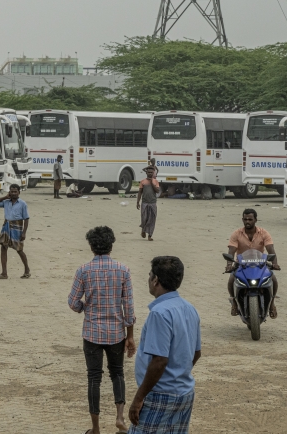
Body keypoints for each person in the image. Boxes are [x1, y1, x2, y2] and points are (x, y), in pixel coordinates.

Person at [68, 226, 136, 434]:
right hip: (116, 333)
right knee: (118, 374)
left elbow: (72, 301)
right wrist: (130, 336)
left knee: (94, 378)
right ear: (111, 244)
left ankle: (96, 427)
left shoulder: (84, 270)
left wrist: (84, 308)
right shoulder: (123, 270)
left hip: (92, 332)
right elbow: (129, 307)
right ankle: (120, 417)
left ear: (91, 246)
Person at [129, 256, 201, 433]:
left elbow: (159, 360)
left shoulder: (159, 313)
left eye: (150, 275)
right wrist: (178, 374)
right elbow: (196, 353)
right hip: (184, 393)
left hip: (160, 395)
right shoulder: (189, 308)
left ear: (156, 280)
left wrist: (139, 398)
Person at [225, 208, 280, 318]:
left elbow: (271, 249)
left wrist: (274, 263)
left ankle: (272, 304)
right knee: (231, 280)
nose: (247, 222)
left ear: (255, 220)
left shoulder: (264, 233)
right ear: (242, 220)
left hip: (260, 264)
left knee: (273, 279)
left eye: (250, 219)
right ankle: (234, 303)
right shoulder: (236, 234)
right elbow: (231, 250)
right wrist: (229, 265)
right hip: (241, 265)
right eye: (245, 219)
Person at [0, 184, 30, 279]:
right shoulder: (6, 202)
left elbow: (26, 219)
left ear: (19, 192)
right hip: (6, 227)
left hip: (17, 228)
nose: (13, 193)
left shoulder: (22, 204)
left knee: (19, 249)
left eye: (15, 191)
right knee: (3, 247)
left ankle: (27, 270)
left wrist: (24, 232)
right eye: (11, 191)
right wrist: (5, 197)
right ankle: (4, 273)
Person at [136, 165, 160, 241]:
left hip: (152, 203)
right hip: (144, 202)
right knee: (144, 218)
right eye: (148, 172)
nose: (150, 174)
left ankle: (150, 235)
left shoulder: (155, 181)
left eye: (151, 172)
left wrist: (151, 182)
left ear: (153, 173)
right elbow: (140, 192)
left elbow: (157, 191)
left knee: (152, 219)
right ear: (146, 173)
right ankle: (143, 230)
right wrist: (137, 202)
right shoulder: (143, 181)